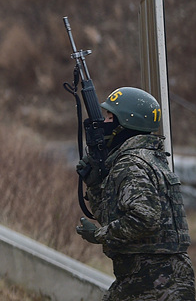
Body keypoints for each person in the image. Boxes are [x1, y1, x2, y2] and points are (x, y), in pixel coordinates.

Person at [75, 87, 194, 301]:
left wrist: (98, 235)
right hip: (153, 278)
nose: (104, 122)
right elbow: (115, 217)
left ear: (126, 124)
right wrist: (95, 186)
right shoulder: (150, 158)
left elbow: (144, 219)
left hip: (154, 282)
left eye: (110, 117)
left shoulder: (131, 164)